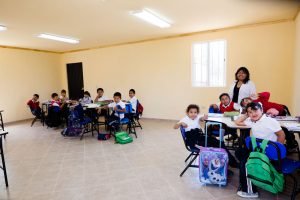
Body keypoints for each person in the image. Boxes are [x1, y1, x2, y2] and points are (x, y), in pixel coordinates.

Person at [234, 102, 285, 198]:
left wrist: (276, 153)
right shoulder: (251, 120)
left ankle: (250, 191)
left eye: (255, 110)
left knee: (246, 162)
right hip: (259, 150)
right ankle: (251, 178)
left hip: (269, 152)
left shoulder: (270, 121)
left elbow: (281, 135)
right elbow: (237, 122)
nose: (253, 113)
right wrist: (246, 114)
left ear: (262, 110)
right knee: (239, 152)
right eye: (250, 112)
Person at [174, 104, 239, 168]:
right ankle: (222, 166)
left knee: (219, 142)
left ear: (197, 113)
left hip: (200, 137)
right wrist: (180, 123)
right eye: (191, 112)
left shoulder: (197, 117)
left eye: (195, 112)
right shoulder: (185, 119)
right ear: (187, 113)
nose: (193, 114)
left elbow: (202, 118)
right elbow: (175, 127)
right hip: (194, 142)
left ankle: (227, 164)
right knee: (216, 147)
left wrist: (204, 118)